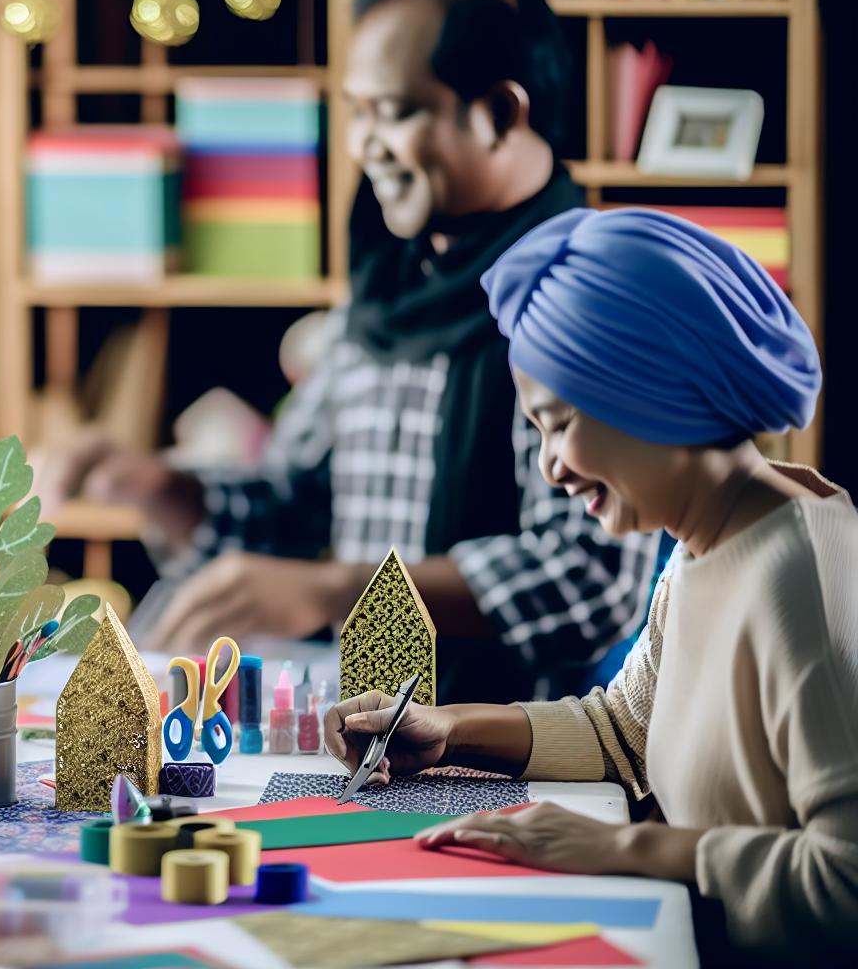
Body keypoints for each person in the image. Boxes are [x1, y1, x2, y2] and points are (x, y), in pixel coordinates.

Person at [36, 0, 656, 702]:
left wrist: (339, 591)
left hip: (516, 746)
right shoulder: (386, 285)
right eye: (355, 112)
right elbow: (294, 504)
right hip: (371, 725)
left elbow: (592, 579)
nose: (363, 146)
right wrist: (159, 486)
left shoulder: (586, 299)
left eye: (393, 113)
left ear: (497, 112)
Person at [325, 208, 848, 961]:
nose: (550, 466)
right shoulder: (710, 539)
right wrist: (450, 731)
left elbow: (847, 879)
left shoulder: (799, 580)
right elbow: (627, 728)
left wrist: (628, 848)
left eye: (559, 423)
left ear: (652, 387)